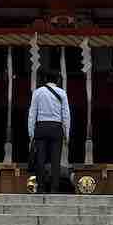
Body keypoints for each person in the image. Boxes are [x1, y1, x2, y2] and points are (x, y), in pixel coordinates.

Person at [26, 66, 69, 194]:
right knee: (56, 160)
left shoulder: (37, 92)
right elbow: (66, 115)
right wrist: (67, 133)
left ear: (45, 79)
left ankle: (41, 188)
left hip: (41, 127)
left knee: (40, 159)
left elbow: (32, 114)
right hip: (56, 128)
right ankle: (54, 188)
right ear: (58, 80)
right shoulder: (62, 93)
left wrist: (31, 133)